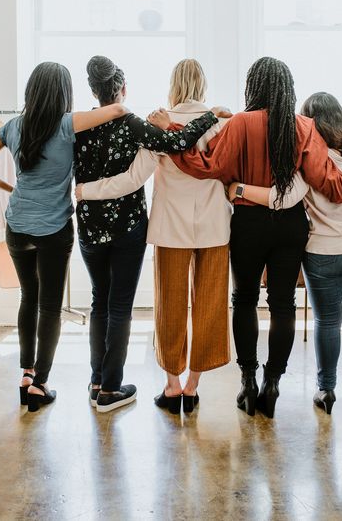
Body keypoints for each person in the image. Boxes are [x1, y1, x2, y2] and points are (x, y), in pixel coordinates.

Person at [170, 57, 342, 418]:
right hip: (289, 226)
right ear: (287, 87)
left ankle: (247, 380)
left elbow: (212, 166)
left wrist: (175, 142)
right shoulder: (303, 126)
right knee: (282, 305)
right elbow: (323, 175)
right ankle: (273, 382)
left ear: (253, 86)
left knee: (244, 299)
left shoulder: (239, 124)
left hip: (248, 222)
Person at [229, 92, 342, 414]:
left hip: (325, 251)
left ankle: (326, 390)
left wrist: (238, 189)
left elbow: (282, 199)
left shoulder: (311, 158)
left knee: (327, 321)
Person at [75, 59, 232, 414]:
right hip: (214, 227)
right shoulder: (221, 120)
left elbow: (134, 179)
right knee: (209, 307)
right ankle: (193, 387)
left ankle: (172, 386)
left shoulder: (156, 121)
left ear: (173, 84)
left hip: (171, 228)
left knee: (170, 306)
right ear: (203, 84)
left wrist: (85, 190)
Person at [0, 62, 127, 412]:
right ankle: (41, 382)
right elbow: (117, 109)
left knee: (29, 297)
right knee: (50, 307)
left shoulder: (13, 125)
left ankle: (26, 374)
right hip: (54, 229)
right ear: (63, 93)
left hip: (17, 225)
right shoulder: (67, 124)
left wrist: (9, 187)